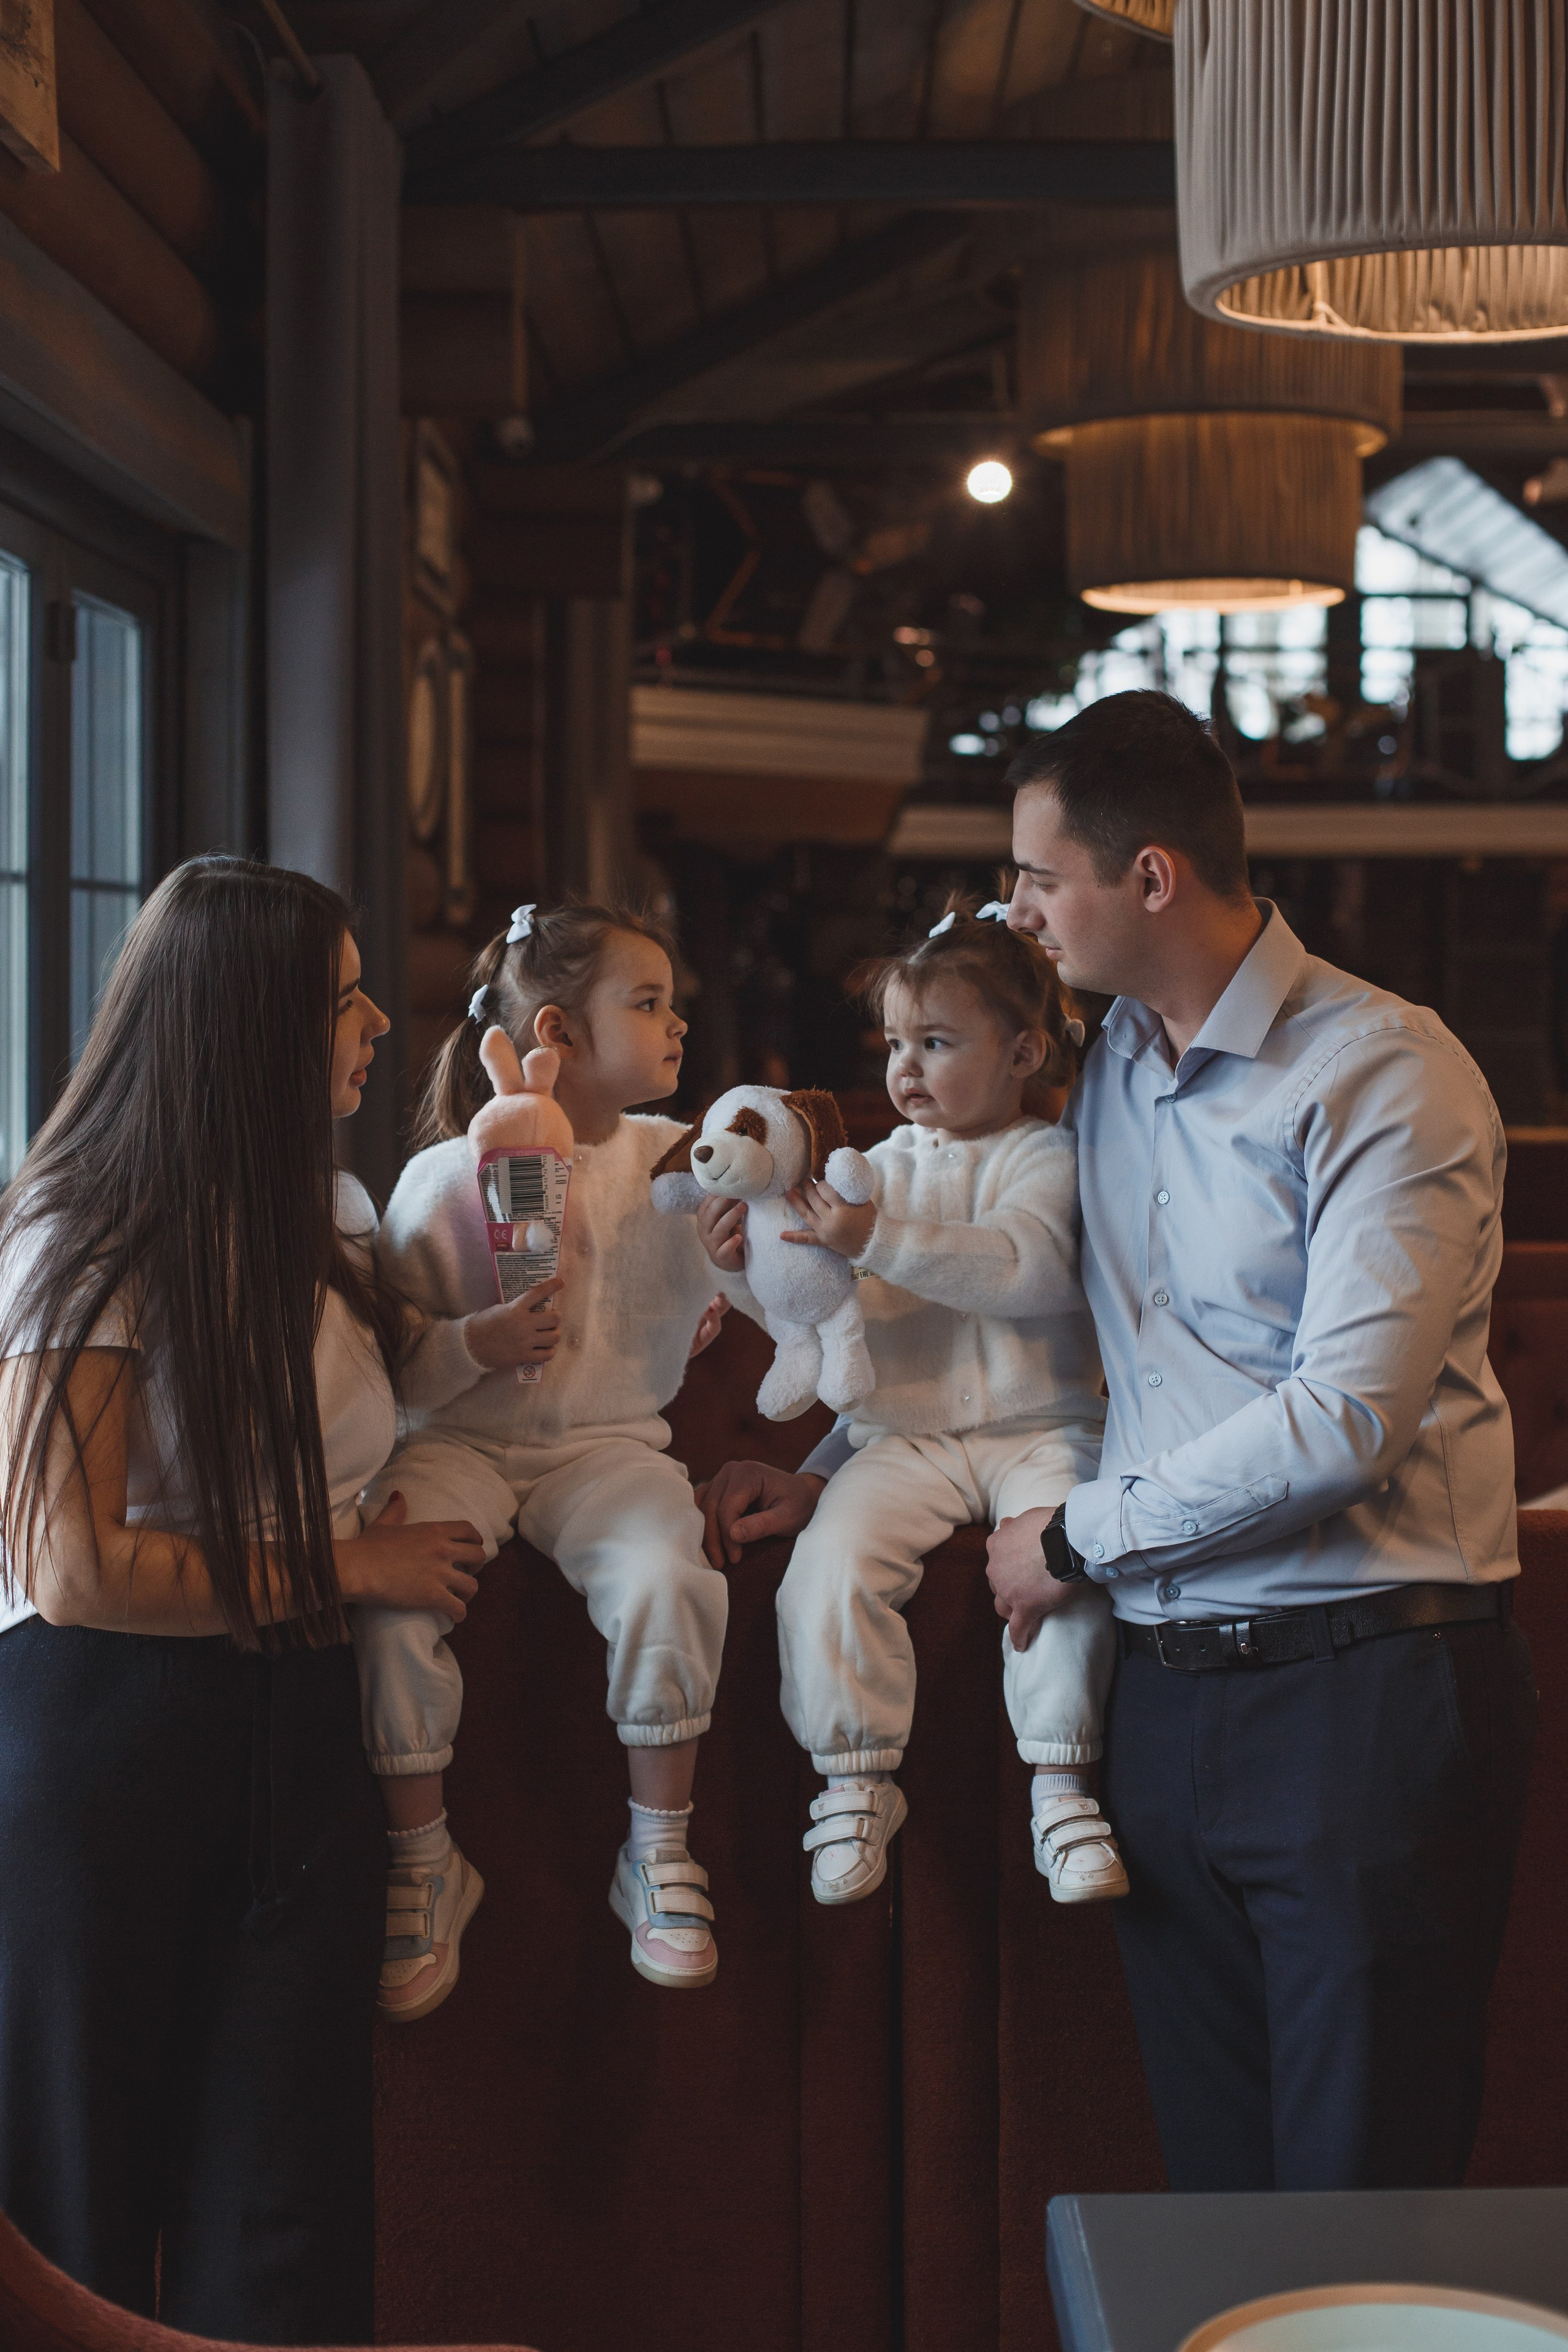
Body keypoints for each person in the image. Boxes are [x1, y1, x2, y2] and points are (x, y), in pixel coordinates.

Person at [700, 690, 1535, 2195]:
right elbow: (1023, 1360)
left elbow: (1345, 1415)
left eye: (1035, 876)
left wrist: (1073, 1538)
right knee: (1214, 2209)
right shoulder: (1106, 1083)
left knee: (1364, 2209)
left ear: (1146, 878)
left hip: (1362, 1688)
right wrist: (821, 1468)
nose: (1013, 906)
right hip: (1160, 1704)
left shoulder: (1383, 1071)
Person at [0, 857, 492, 2343]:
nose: (369, 1028)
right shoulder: (79, 1237)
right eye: (342, 999)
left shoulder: (326, 1221)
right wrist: (345, 1568)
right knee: (77, 2210)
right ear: (248, 1026)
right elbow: (69, 1570)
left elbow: (423, 1391)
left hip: (296, 1725)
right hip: (106, 1742)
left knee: (288, 2212)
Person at [701, 898, 1124, 1905]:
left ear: (1024, 1051)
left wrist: (874, 1240)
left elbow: (1024, 1271)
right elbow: (815, 1306)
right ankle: (853, 1779)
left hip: (1045, 1423)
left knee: (1069, 1574)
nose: (904, 1068)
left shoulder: (1050, 1158)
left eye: (936, 1042)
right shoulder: (871, 1172)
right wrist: (736, 1274)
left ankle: (1062, 1783)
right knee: (828, 1571)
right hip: (907, 1435)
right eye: (894, 1042)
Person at [358, 900, 739, 2003]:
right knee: (391, 1594)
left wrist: (726, 1281)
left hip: (609, 1446)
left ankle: (658, 1850)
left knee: (669, 1570)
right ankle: (424, 1859)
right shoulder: (440, 1182)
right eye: (650, 1002)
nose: (677, 1026)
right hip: (457, 1440)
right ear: (560, 1034)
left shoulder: (684, 1166)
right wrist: (477, 1340)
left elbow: (754, 1295)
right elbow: (393, 1372)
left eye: (675, 1004)